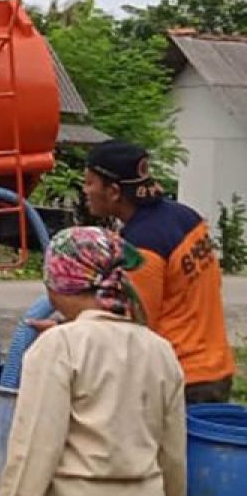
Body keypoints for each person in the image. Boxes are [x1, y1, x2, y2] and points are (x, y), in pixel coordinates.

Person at [0, 227, 186, 496]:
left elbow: (35, 448)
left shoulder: (58, 347)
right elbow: (173, 452)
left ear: (58, 284)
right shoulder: (159, 349)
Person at [83, 140, 235, 404]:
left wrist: (68, 331)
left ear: (114, 191)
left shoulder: (143, 245)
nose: (85, 191)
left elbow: (134, 325)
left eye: (90, 183)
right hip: (216, 367)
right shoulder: (187, 217)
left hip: (180, 378)